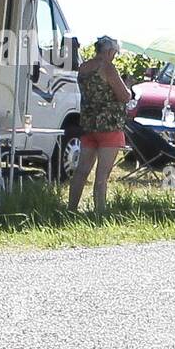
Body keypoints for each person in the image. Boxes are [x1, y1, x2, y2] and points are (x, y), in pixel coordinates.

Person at [68, 36, 132, 215]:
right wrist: (128, 86)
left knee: (81, 171)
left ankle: (71, 209)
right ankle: (99, 212)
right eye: (115, 53)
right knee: (102, 174)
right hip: (109, 126)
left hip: (89, 124)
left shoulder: (83, 67)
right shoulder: (108, 67)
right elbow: (123, 96)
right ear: (110, 51)